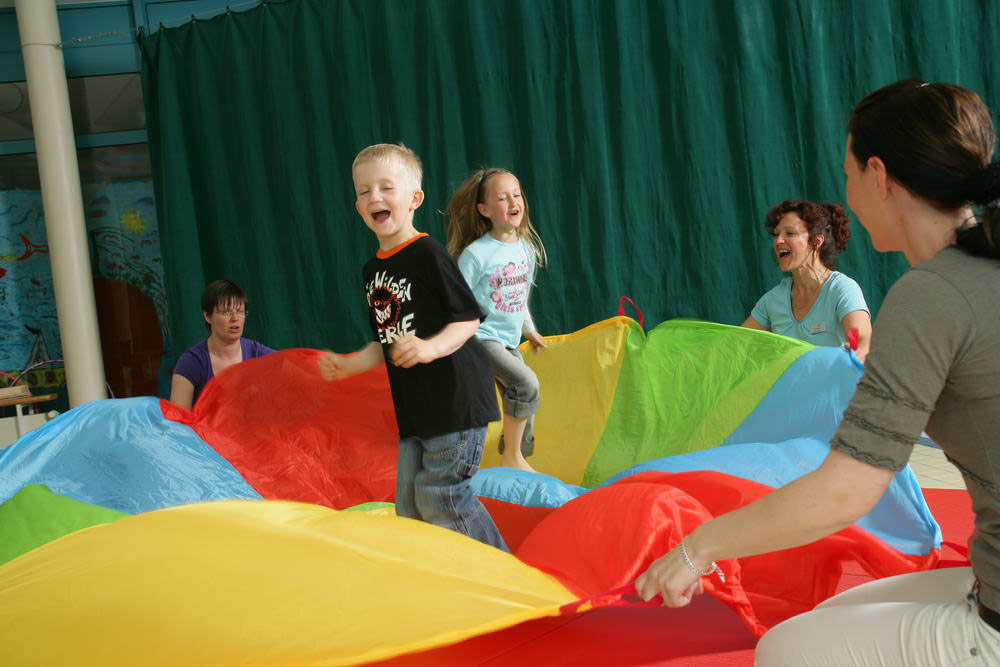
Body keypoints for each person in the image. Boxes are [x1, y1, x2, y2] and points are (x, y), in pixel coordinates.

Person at [636, 80, 1000, 665]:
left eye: (848, 173)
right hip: (986, 578)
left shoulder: (927, 295)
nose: (847, 191)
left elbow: (847, 490)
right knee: (828, 620)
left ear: (879, 177)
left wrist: (695, 549)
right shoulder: (964, 273)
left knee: (785, 651)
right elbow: (743, 344)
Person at [319, 143, 508, 552]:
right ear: (357, 206)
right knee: (409, 506)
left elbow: (467, 318)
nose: (375, 198)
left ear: (414, 199)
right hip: (417, 412)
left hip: (455, 402)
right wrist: (351, 365)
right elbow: (386, 340)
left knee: (441, 496)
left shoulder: (428, 254)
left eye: (387, 187)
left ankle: (505, 573)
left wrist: (428, 349)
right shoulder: (373, 270)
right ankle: (447, 578)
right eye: (365, 191)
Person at [445, 168, 547, 473]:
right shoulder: (477, 255)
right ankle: (511, 458)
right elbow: (455, 301)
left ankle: (516, 459)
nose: (513, 201)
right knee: (528, 383)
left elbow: (520, 300)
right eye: (502, 198)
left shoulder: (525, 250)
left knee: (526, 402)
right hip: (479, 339)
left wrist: (530, 331)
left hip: (507, 341)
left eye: (516, 194)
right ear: (485, 210)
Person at [742, 199, 872, 360]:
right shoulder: (772, 301)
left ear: (816, 241)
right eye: (776, 234)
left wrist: (859, 349)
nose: (778, 241)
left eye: (790, 233)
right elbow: (737, 344)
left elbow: (860, 338)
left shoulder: (842, 289)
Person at [169, 279, 274, 410]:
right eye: (226, 312)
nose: (235, 318)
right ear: (207, 316)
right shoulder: (191, 362)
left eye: (240, 311)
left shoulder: (259, 354)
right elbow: (177, 422)